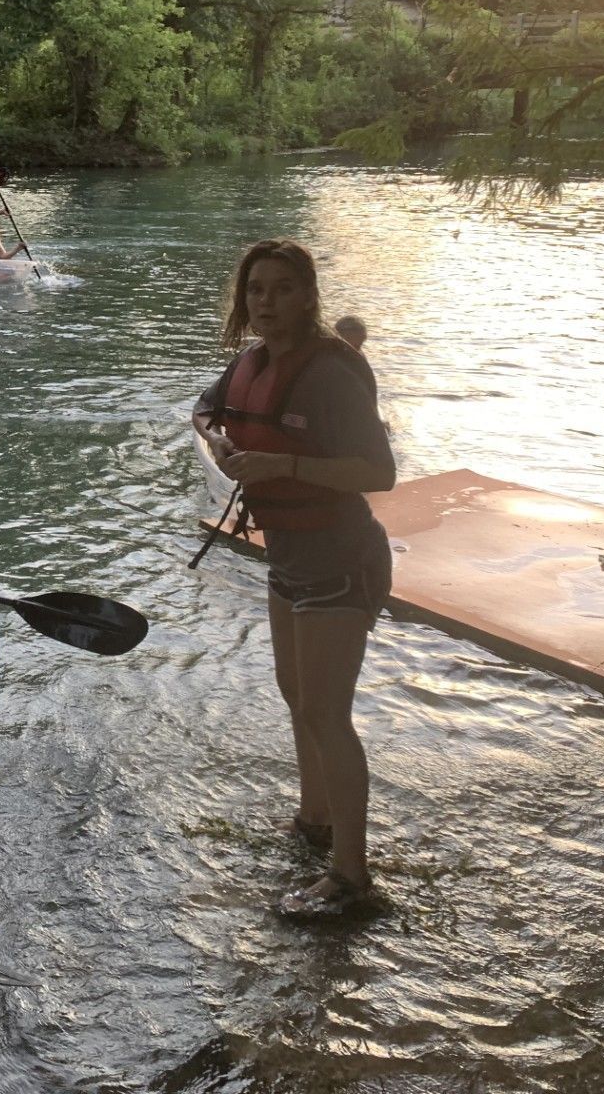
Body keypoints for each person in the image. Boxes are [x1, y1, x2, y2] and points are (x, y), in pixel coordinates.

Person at [193, 239, 395, 917]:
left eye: (282, 290)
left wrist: (284, 468)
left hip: (340, 557)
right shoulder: (250, 364)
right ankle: (316, 822)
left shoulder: (332, 373)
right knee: (294, 694)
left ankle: (352, 877)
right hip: (288, 558)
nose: (267, 304)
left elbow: (379, 473)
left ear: (308, 296)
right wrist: (223, 448)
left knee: (324, 712)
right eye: (256, 291)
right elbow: (203, 411)